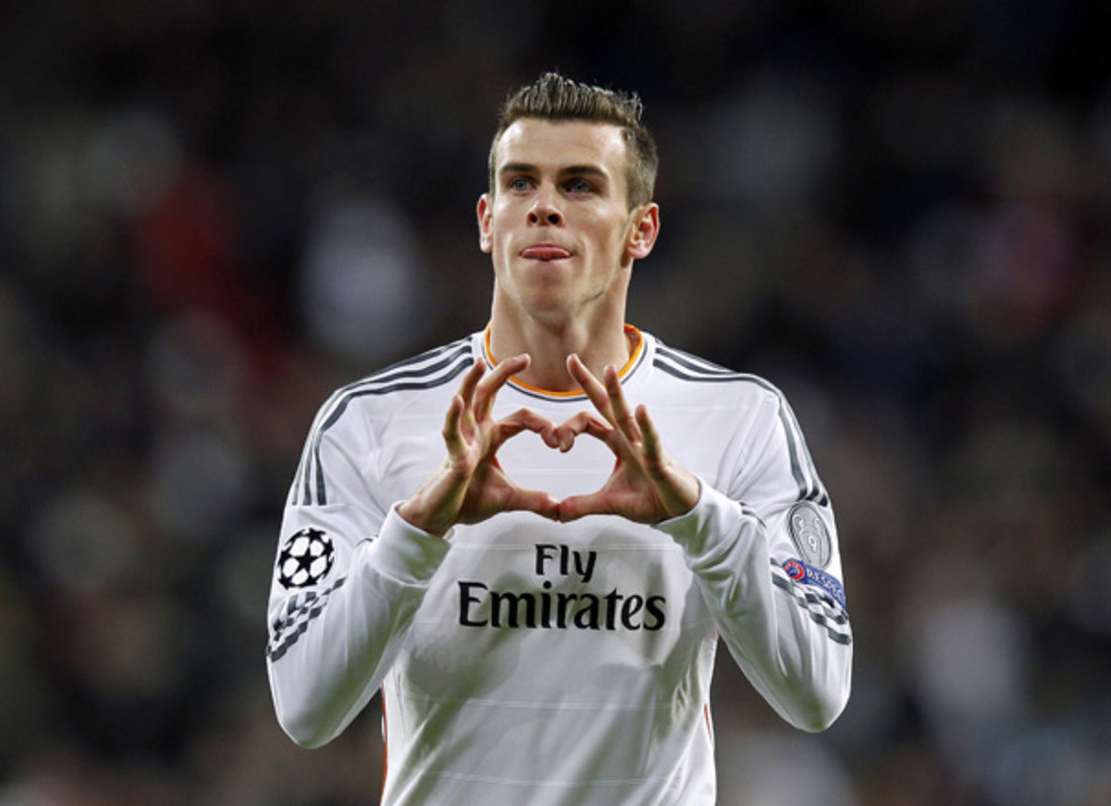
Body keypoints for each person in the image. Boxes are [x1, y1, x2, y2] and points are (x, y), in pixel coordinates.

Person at [266, 72, 852, 805]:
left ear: (641, 229)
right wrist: (417, 531)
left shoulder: (738, 417)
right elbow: (305, 709)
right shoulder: (369, 421)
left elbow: (818, 693)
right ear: (488, 221)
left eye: (580, 186)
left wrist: (698, 517)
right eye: (521, 183)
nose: (544, 206)